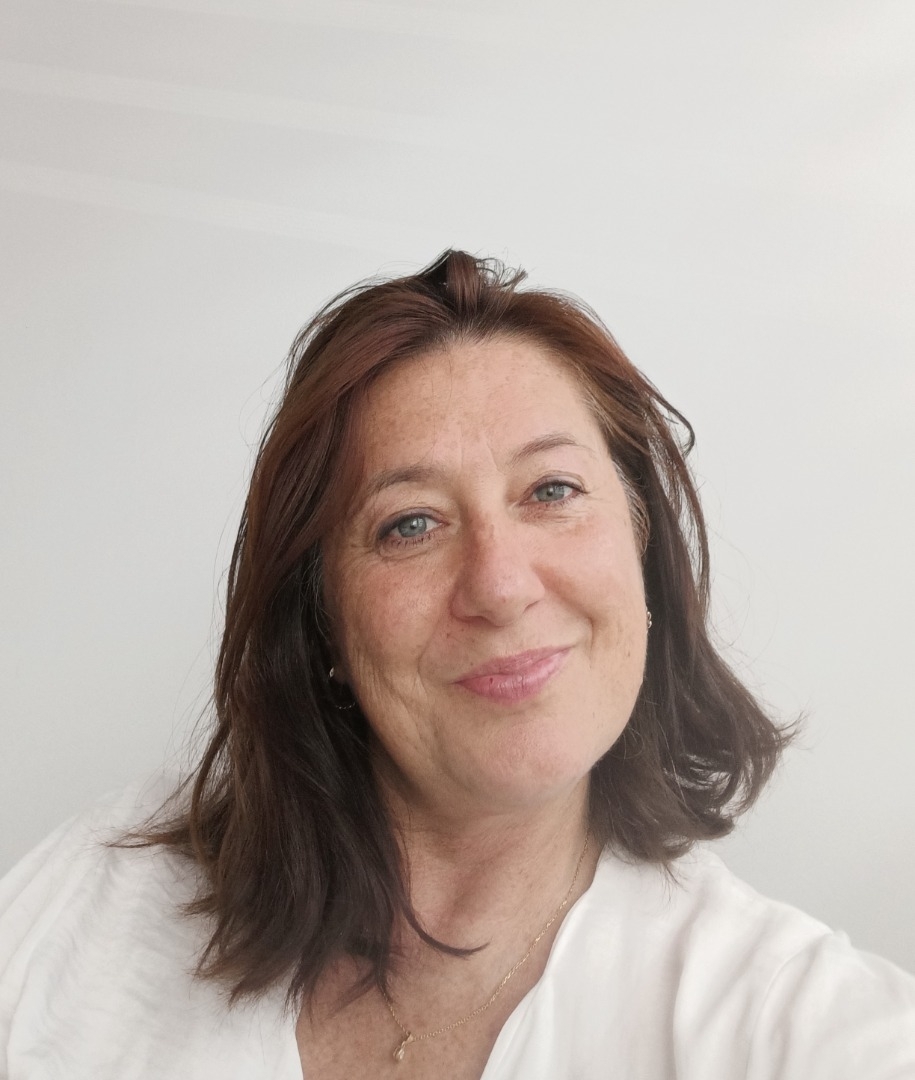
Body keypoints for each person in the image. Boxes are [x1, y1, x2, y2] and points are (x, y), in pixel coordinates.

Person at [1, 250, 913, 1079]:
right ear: (321, 622)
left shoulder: (803, 1029)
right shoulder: (87, 908)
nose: (500, 586)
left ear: (642, 553)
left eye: (551, 490)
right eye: (410, 524)